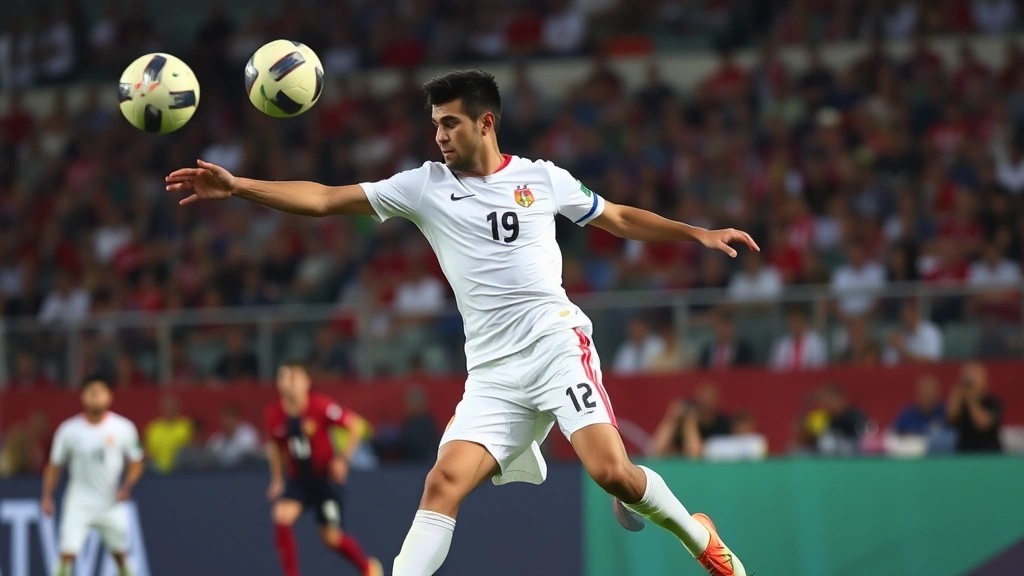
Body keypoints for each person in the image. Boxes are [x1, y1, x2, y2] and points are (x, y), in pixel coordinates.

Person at [167, 69, 758, 576]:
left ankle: (700, 538)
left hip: (555, 343)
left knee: (613, 475)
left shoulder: (542, 178)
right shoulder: (424, 187)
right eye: (435, 124)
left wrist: (696, 233)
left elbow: (618, 217)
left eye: (450, 123)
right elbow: (324, 199)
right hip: (492, 371)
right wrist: (239, 187)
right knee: (442, 483)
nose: (440, 135)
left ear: (485, 123)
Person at [264, 362, 383, 576]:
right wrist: (277, 479)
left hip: (324, 480)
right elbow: (275, 447)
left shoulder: (320, 406)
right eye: (284, 377)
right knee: (281, 515)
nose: (290, 383)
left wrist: (343, 459)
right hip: (299, 480)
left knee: (331, 538)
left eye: (295, 377)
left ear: (306, 382)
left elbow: (355, 425)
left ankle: (367, 567)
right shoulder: (275, 414)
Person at [41, 374, 145, 576]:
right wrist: (47, 496)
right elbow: (54, 467)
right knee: (67, 554)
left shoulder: (124, 428)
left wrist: (126, 486)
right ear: (83, 396)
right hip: (78, 502)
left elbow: (136, 463)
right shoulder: (68, 430)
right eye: (91, 392)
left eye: (100, 392)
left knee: (121, 555)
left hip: (111, 502)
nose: (96, 396)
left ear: (109, 396)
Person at [946, 362, 1003, 453]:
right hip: (965, 454)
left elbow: (982, 423)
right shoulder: (961, 402)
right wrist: (956, 396)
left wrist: (971, 399)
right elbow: (951, 418)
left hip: (989, 454)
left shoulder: (993, 402)